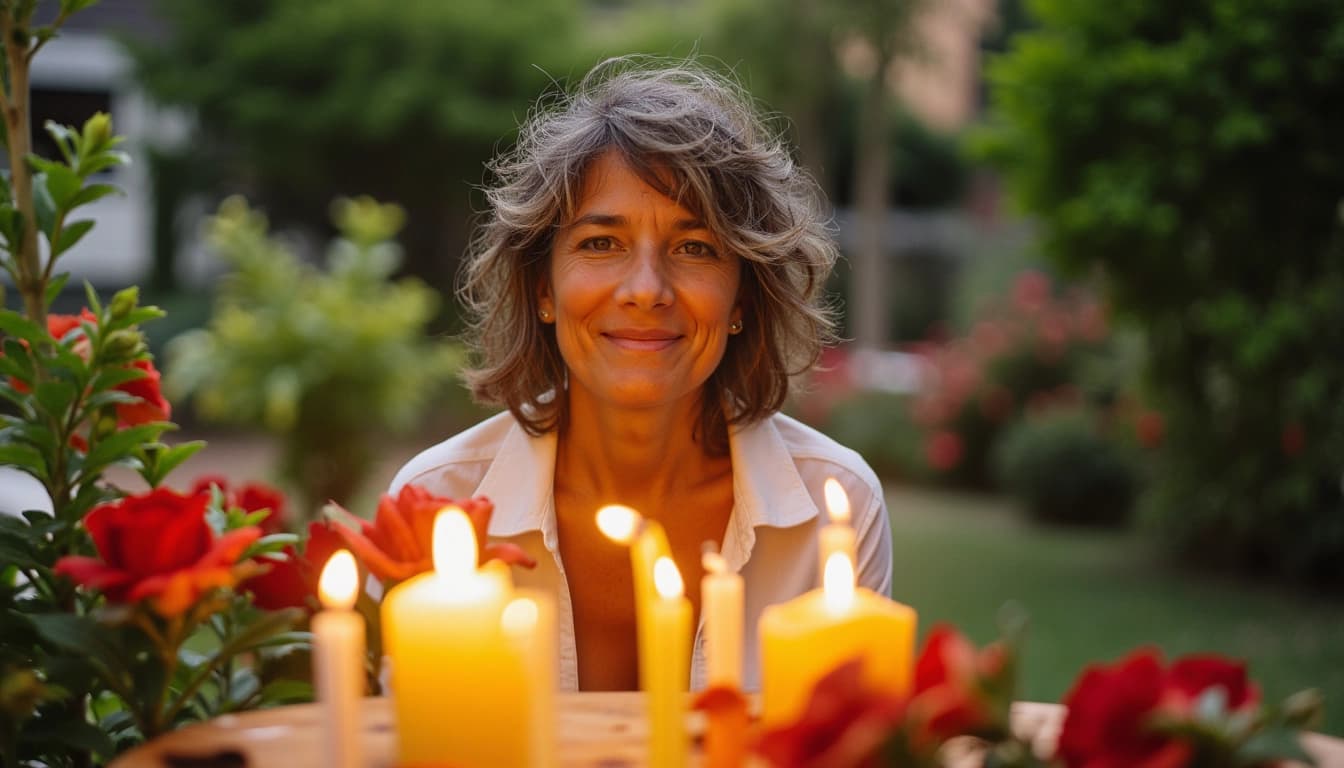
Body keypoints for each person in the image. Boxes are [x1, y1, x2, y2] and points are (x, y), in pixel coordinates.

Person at [389, 57, 891, 692]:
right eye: (601, 244)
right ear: (543, 287)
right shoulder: (439, 508)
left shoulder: (834, 511)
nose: (647, 290)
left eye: (694, 248)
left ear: (741, 299)